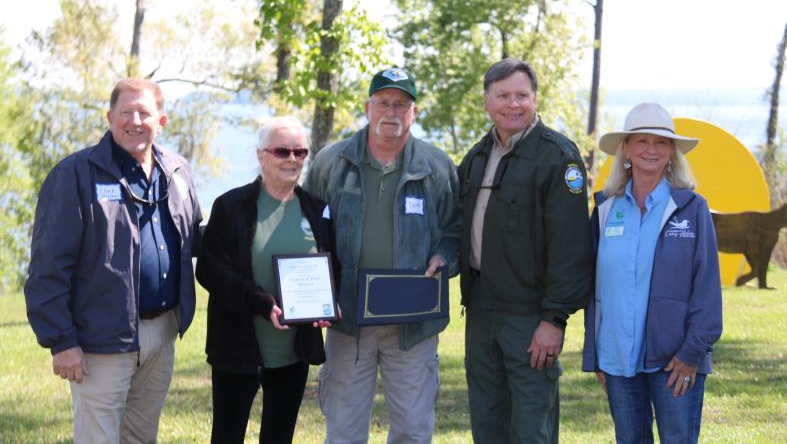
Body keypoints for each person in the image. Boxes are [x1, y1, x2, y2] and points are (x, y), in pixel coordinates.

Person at [24, 78, 203, 443]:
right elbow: (48, 267)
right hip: (100, 337)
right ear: (109, 118)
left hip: (162, 331)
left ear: (162, 121)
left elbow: (194, 238)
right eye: (126, 112)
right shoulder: (74, 175)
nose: (135, 121)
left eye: (144, 113)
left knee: (140, 436)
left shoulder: (177, 170)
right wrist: (61, 341)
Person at [303, 67, 460, 443]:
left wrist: (443, 257)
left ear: (414, 113)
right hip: (347, 321)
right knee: (344, 429)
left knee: (412, 429)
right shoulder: (332, 162)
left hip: (412, 325)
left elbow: (456, 230)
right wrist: (315, 293)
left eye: (402, 105)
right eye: (384, 103)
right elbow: (307, 228)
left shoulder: (437, 167)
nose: (392, 112)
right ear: (367, 107)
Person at [457, 58, 593, 443]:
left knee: (531, 425)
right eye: (503, 96)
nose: (512, 104)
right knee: (488, 421)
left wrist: (555, 320)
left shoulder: (557, 157)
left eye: (522, 95)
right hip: (481, 313)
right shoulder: (478, 156)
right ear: (487, 101)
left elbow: (571, 247)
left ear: (535, 99)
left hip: (531, 317)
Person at [582, 102, 723, 444]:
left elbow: (707, 288)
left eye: (661, 142)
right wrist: (597, 355)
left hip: (676, 359)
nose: (651, 150)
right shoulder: (604, 209)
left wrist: (692, 354)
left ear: (672, 152)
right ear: (626, 149)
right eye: (641, 141)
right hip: (617, 358)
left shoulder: (692, 208)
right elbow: (593, 289)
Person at [196, 117, 337, 444]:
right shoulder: (231, 206)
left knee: (279, 437)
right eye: (282, 151)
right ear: (261, 155)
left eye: (300, 152)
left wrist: (328, 303)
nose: (292, 159)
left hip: (293, 352)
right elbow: (210, 270)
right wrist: (260, 302)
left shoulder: (317, 210)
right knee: (227, 436)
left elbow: (331, 264)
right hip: (237, 347)